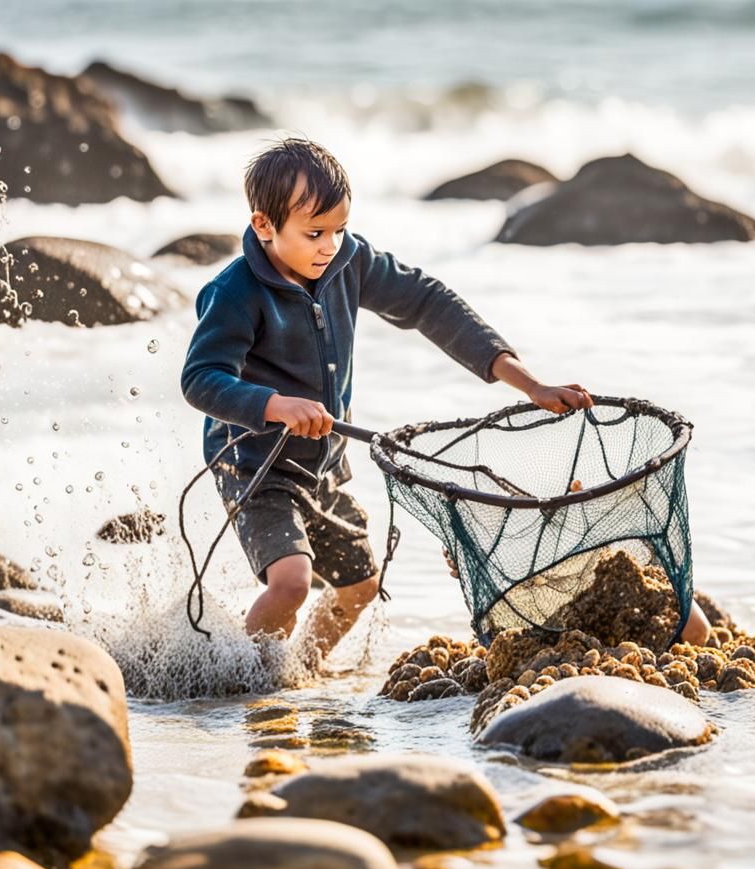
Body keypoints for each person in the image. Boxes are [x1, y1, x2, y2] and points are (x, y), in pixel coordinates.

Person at [181, 137, 707, 663]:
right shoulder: (235, 293)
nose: (330, 246)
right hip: (255, 466)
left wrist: (527, 384)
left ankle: (300, 668)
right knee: (291, 583)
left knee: (359, 587)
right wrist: (275, 405)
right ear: (264, 226)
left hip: (324, 466)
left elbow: (429, 304)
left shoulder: (348, 261)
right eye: (314, 233)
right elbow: (201, 379)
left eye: (339, 230)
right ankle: (242, 679)